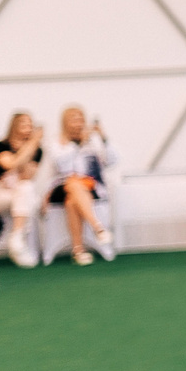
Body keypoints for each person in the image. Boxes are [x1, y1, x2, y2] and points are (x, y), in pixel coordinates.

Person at [44, 105, 116, 266]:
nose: (78, 123)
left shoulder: (94, 140)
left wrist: (103, 138)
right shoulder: (57, 142)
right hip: (61, 186)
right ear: (65, 123)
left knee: (72, 201)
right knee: (73, 182)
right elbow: (62, 166)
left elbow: (111, 160)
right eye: (73, 119)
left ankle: (78, 250)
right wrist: (78, 144)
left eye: (80, 119)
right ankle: (98, 228)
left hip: (90, 186)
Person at [0, 111, 44, 268]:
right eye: (24, 124)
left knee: (26, 188)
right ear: (14, 126)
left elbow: (27, 176)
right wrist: (31, 144)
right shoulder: (0, 146)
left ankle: (17, 236)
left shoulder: (37, 150)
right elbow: (10, 164)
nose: (28, 127)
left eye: (30, 124)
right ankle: (18, 240)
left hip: (17, 194)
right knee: (26, 196)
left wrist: (31, 148)